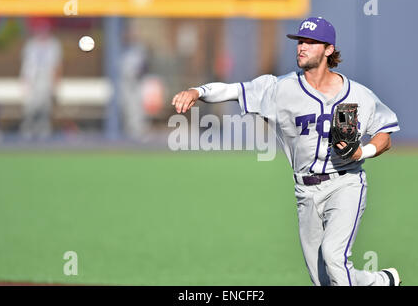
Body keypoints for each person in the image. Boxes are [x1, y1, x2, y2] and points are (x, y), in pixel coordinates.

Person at [171, 17, 401, 286]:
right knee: (323, 279)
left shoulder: (358, 95)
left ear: (329, 50)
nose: (301, 47)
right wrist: (197, 91)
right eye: (300, 41)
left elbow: (386, 134)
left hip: (345, 183)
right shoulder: (279, 89)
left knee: (334, 258)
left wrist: (362, 152)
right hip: (305, 190)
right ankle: (381, 282)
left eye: (310, 42)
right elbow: (233, 90)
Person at [19, 17, 62, 140]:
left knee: (45, 108)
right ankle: (27, 133)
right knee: (29, 108)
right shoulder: (31, 44)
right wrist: (24, 82)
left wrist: (56, 84)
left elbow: (57, 66)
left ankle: (44, 134)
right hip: (32, 78)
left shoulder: (54, 44)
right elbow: (26, 65)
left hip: (46, 79)